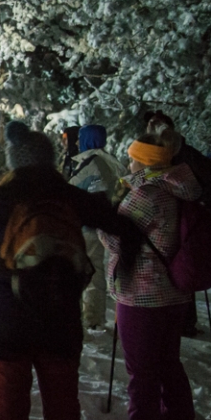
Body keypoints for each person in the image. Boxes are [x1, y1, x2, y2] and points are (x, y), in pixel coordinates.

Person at [0, 122, 138, 420]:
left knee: (9, 416)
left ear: (14, 160)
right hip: (61, 322)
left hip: (8, 324)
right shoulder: (69, 195)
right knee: (63, 415)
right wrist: (124, 272)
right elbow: (124, 226)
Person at [98, 128, 204, 420]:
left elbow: (120, 240)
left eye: (132, 155)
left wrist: (102, 220)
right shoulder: (177, 186)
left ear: (143, 159)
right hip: (172, 294)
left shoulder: (146, 194)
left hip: (142, 296)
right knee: (169, 368)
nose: (128, 160)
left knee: (142, 375)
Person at [145, 111, 211, 337]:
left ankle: (185, 321)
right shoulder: (156, 153)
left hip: (184, 219)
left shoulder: (184, 153)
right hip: (169, 217)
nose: (152, 127)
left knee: (182, 264)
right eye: (150, 124)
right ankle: (176, 318)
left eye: (157, 123)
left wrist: (203, 208)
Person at [67, 124, 127, 329]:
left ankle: (92, 319)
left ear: (87, 140)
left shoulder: (93, 165)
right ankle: (92, 316)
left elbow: (73, 190)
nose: (76, 143)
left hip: (89, 228)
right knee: (94, 270)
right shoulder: (106, 162)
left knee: (91, 272)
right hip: (97, 225)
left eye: (79, 138)